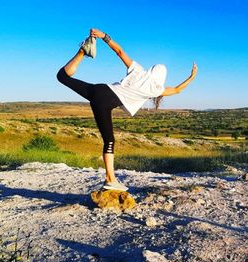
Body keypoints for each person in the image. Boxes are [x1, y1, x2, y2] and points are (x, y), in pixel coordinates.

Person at [57, 28, 198, 191]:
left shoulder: (139, 71)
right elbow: (177, 89)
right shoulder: (156, 89)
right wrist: (192, 77)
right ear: (162, 77)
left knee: (62, 77)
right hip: (104, 102)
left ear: (151, 70)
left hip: (99, 89)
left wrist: (104, 37)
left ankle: (83, 51)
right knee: (109, 141)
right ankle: (110, 179)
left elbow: (119, 51)